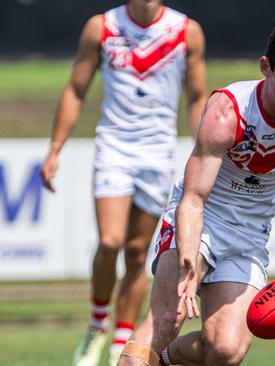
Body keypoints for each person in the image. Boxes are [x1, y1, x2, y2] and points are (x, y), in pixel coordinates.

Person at [117, 16, 275, 366]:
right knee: (166, 319)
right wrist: (189, 262)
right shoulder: (229, 111)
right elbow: (193, 199)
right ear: (266, 67)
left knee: (226, 350)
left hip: (249, 232)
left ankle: (159, 360)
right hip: (202, 218)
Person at [39, 1, 207, 365]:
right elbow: (75, 89)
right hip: (114, 147)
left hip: (157, 152)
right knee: (110, 240)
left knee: (135, 252)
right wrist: (54, 150)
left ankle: (121, 337)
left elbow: (196, 97)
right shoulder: (101, 27)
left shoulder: (185, 31)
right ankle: (97, 323)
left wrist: (205, 153)